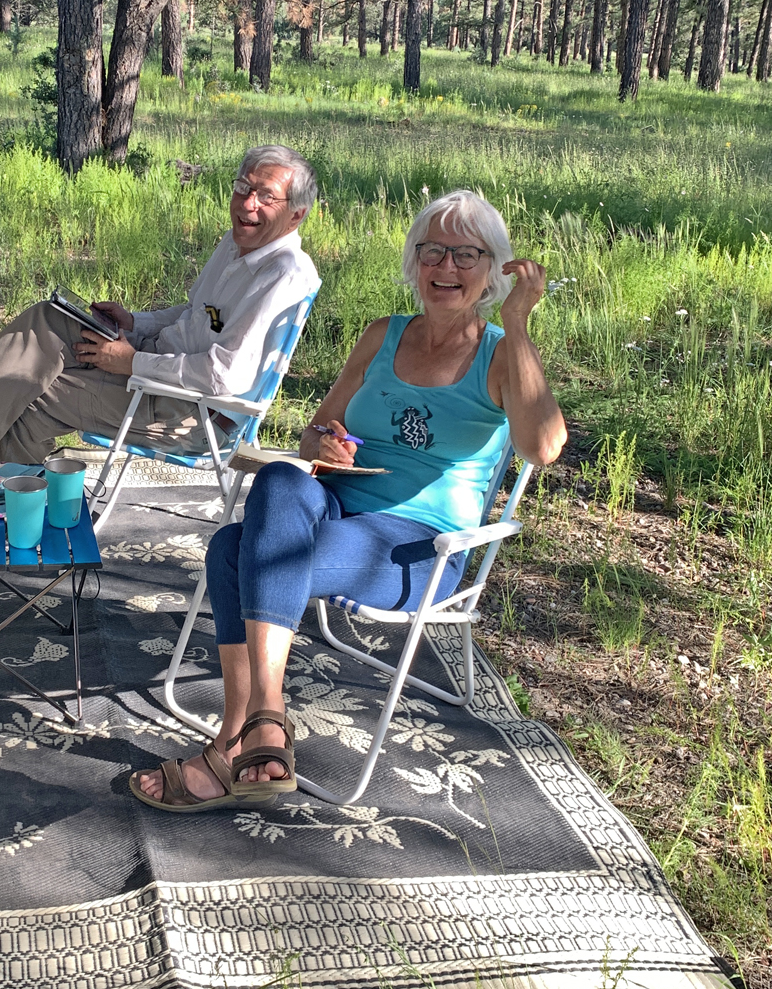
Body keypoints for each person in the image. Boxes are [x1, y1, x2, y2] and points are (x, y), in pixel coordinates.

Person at [131, 188, 567, 812]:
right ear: (415, 262)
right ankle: (267, 723)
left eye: (465, 254)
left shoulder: (501, 355)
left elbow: (544, 447)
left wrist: (520, 325)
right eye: (432, 251)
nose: (445, 268)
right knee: (280, 480)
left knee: (233, 548)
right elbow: (317, 429)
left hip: (418, 545)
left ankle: (238, 737)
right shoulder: (383, 336)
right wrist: (327, 443)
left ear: (494, 270)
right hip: (338, 506)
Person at [0, 146, 321, 466]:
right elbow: (196, 313)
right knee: (50, 318)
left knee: (32, 392)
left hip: (190, 414)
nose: (247, 204)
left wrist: (133, 361)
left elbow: (226, 377)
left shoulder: (282, 275)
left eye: (265, 196)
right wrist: (135, 323)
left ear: (296, 214)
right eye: (242, 187)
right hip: (154, 374)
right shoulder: (236, 246)